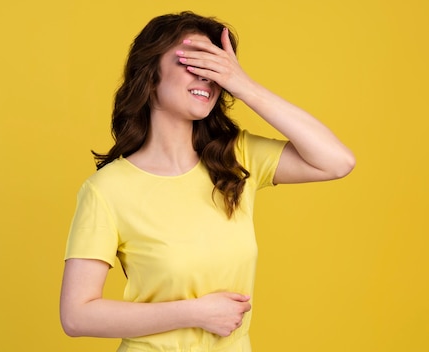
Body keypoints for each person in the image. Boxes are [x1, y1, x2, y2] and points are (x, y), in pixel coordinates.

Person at [59, 11, 355, 352]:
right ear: (150, 74)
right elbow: (77, 315)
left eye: (216, 66)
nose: (207, 76)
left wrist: (244, 85)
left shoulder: (236, 159)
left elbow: (337, 161)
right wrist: (194, 313)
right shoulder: (106, 190)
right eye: (193, 61)